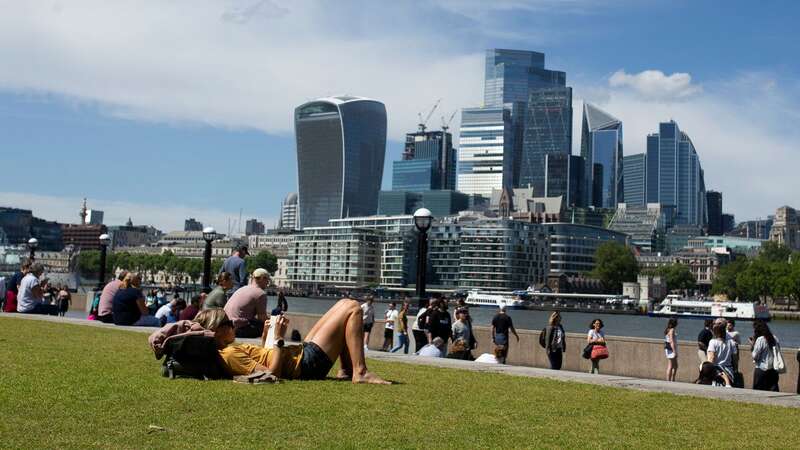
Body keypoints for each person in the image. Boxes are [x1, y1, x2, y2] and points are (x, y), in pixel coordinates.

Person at [196, 299, 390, 384]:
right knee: (353, 308)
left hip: (302, 354)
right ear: (217, 331)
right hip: (306, 364)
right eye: (228, 323)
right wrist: (279, 338)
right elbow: (271, 373)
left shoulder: (228, 349)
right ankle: (360, 372)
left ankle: (347, 370)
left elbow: (264, 359)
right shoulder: (229, 354)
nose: (232, 325)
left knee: (343, 303)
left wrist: (266, 336)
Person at [223, 268, 269, 338]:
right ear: (263, 279)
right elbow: (262, 317)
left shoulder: (242, 288)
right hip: (238, 329)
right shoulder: (260, 293)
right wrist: (274, 323)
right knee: (266, 327)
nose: (268, 283)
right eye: (267, 280)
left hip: (225, 325)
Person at [750, 320, 780, 391]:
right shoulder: (775, 338)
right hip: (773, 370)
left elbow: (755, 356)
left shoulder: (760, 339)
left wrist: (752, 345)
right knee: (772, 391)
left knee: (758, 392)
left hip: (761, 370)